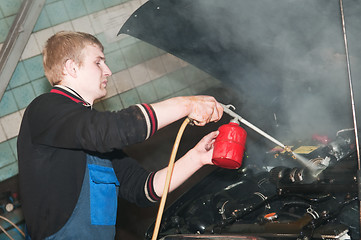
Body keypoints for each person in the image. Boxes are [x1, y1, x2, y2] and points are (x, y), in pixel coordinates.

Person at [17, 31, 224, 239]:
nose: (107, 71)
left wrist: (197, 158)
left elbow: (143, 188)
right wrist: (186, 104)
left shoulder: (92, 128)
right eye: (98, 62)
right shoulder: (44, 109)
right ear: (71, 67)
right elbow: (113, 129)